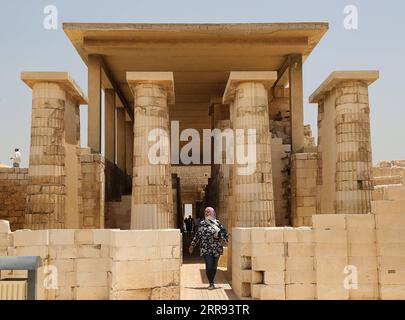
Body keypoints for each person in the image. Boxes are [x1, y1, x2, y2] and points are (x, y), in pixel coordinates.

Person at [189, 207, 228, 290]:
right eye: (205, 212)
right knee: (209, 265)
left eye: (208, 212)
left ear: (213, 213)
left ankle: (212, 280)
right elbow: (198, 235)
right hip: (206, 248)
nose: (206, 213)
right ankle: (211, 283)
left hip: (216, 248)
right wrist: (192, 245)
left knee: (214, 266)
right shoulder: (202, 223)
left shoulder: (217, 223)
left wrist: (223, 237)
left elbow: (224, 234)